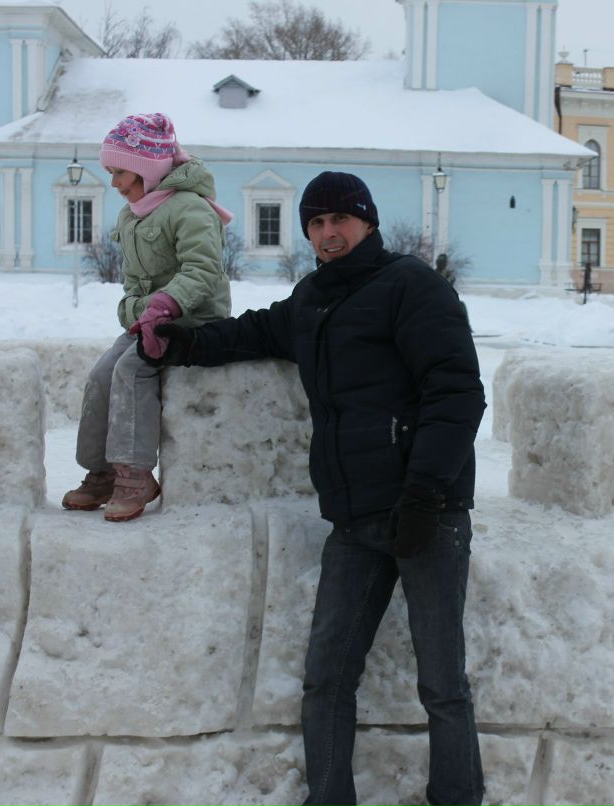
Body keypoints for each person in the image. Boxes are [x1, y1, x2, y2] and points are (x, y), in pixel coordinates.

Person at [140, 171, 486, 806]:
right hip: (355, 521)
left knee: (441, 683)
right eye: (316, 223)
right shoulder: (312, 300)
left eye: (340, 220)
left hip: (427, 514)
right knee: (326, 679)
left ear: (368, 221)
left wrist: (426, 494)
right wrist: (180, 345)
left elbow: (458, 392)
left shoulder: (412, 287)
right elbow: (252, 333)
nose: (329, 233)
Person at [61, 112, 232, 522]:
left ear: (146, 169)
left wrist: (165, 306)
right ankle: (100, 472)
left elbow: (203, 271)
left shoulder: (190, 209)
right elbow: (133, 285)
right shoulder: (134, 215)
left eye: (120, 172)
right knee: (102, 375)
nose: (115, 183)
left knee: (132, 370)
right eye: (111, 172)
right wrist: (136, 312)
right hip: (147, 322)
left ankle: (136, 474)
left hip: (192, 322)